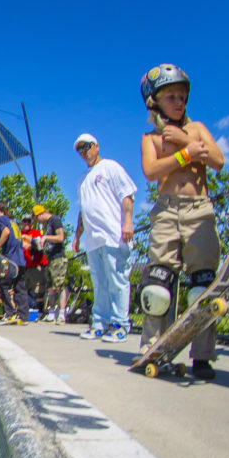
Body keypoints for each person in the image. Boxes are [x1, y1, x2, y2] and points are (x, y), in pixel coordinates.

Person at [137, 65, 225, 379]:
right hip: (166, 210)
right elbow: (151, 172)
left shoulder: (197, 128)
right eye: (171, 96)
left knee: (202, 285)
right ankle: (153, 347)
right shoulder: (150, 138)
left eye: (182, 96)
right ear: (154, 102)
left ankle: (202, 356)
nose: (179, 102)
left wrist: (186, 139)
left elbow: (217, 160)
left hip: (199, 209)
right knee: (158, 284)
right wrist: (187, 153)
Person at [72, 133, 136, 342]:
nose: (84, 151)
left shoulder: (110, 167)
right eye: (79, 149)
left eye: (87, 146)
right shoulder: (82, 179)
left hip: (113, 235)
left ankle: (120, 324)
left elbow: (126, 195)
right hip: (93, 240)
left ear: (96, 146)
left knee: (117, 280)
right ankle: (100, 323)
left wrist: (128, 223)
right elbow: (83, 210)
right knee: (99, 283)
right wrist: (77, 237)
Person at [0, 202, 28, 326]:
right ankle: (23, 316)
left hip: (10, 259)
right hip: (20, 260)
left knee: (3, 285)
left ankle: (10, 314)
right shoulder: (13, 222)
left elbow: (6, 232)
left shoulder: (1, 219)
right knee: (20, 287)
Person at [33, 205, 68, 324]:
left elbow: (61, 237)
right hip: (50, 259)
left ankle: (62, 314)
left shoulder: (54, 220)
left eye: (37, 219)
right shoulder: (48, 224)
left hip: (58, 258)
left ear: (40, 214)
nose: (38, 222)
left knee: (59, 286)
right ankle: (52, 313)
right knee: (50, 288)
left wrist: (46, 237)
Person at [21, 215, 47, 317]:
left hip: (36, 265)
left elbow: (40, 244)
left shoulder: (35, 232)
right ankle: (23, 312)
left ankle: (40, 312)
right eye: (24, 221)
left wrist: (30, 242)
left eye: (29, 221)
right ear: (21, 223)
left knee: (38, 290)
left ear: (31, 223)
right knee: (22, 291)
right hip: (24, 267)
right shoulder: (19, 234)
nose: (26, 223)